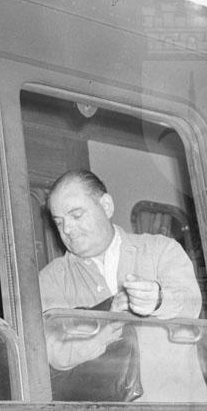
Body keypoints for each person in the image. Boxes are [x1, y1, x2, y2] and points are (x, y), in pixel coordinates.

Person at [40, 169, 207, 402]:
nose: (67, 229)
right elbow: (53, 352)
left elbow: (191, 304)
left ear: (106, 206)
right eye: (59, 222)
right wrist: (106, 325)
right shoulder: (51, 279)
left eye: (76, 215)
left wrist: (158, 300)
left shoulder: (161, 250)